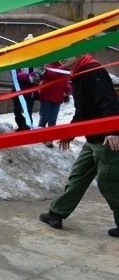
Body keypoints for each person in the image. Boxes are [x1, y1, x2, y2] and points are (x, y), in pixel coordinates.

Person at [39, 54, 119, 238]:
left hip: (107, 140)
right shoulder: (79, 74)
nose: (60, 59)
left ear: (79, 53)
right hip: (93, 140)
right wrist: (71, 132)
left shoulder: (93, 72)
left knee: (110, 184)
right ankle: (56, 213)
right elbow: (83, 110)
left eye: (65, 54)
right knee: (78, 177)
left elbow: (110, 102)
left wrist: (114, 131)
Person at [37, 61, 72, 148]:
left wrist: (68, 90)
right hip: (47, 97)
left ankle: (49, 139)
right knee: (44, 118)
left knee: (52, 119)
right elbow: (50, 75)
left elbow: (64, 83)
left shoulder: (62, 70)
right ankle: (39, 137)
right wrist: (63, 70)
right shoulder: (49, 67)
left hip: (57, 98)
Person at [11, 67, 41, 131]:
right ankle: (21, 126)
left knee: (27, 112)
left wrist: (36, 76)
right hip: (17, 93)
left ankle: (27, 127)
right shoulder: (16, 66)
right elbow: (17, 75)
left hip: (29, 94)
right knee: (17, 111)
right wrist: (29, 77)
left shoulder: (32, 66)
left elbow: (39, 73)